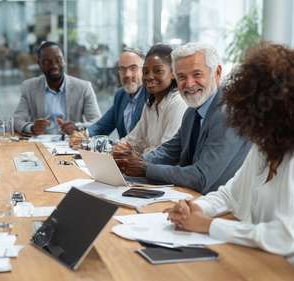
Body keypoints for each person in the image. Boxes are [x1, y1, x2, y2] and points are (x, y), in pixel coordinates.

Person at [163, 43, 294, 265]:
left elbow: (285, 237)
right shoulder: (265, 146)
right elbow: (229, 195)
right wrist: (195, 209)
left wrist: (208, 225)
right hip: (258, 262)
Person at [113, 42, 251, 194]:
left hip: (225, 209)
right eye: (181, 76)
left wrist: (145, 168)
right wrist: (129, 162)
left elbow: (201, 177)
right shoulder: (193, 111)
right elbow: (169, 151)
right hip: (193, 199)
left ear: (217, 72)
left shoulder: (228, 113)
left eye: (197, 74)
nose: (189, 84)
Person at [13, 41, 102, 135]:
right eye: (47, 62)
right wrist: (31, 128)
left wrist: (78, 126)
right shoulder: (29, 87)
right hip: (41, 143)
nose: (54, 66)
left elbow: (98, 121)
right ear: (39, 64)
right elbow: (17, 118)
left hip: (72, 143)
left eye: (58, 60)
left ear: (64, 60)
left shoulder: (83, 88)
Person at [68, 47, 148, 142]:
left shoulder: (151, 96)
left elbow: (141, 141)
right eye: (123, 69)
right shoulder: (121, 94)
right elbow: (101, 126)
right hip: (123, 155)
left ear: (144, 70)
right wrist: (84, 135)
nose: (127, 74)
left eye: (133, 68)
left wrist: (113, 145)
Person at [119, 44, 188, 154]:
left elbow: (166, 152)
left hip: (165, 169)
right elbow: (135, 139)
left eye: (157, 71)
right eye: (145, 72)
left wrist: (135, 156)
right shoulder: (150, 105)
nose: (149, 77)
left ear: (173, 73)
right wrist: (119, 148)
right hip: (147, 167)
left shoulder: (177, 103)